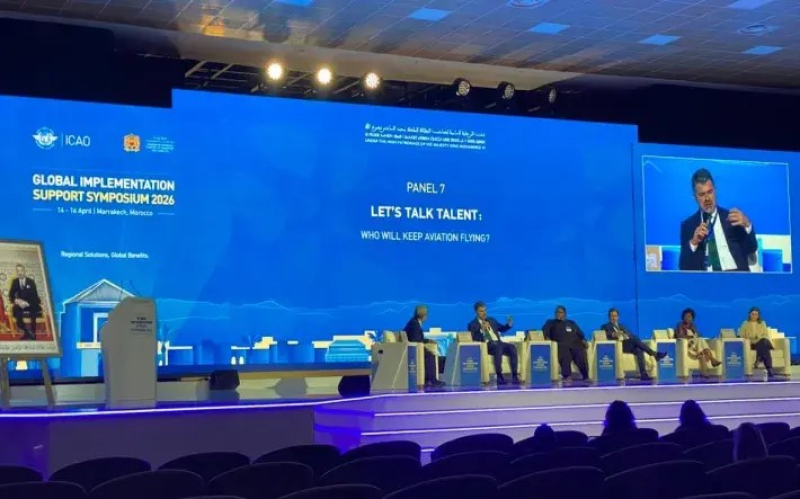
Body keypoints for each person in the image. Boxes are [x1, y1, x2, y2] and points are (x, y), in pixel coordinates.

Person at [678, 168, 757, 272]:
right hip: (708, 279)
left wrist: (747, 224)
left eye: (710, 192)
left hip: (736, 276)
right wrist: (694, 242)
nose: (707, 199)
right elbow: (683, 267)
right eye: (702, 194)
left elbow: (751, 248)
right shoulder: (688, 225)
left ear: (715, 191)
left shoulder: (732, 218)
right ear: (695, 198)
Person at [602, 308, 666, 381]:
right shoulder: (605, 326)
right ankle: (654, 354)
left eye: (615, 316)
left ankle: (643, 374)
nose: (613, 318)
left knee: (639, 350)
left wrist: (624, 334)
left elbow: (629, 334)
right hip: (618, 346)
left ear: (618, 317)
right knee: (635, 338)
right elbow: (604, 335)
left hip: (628, 344)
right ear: (608, 317)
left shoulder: (622, 326)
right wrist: (614, 334)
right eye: (612, 316)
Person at [467, 301, 519, 385]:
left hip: (498, 343)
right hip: (486, 346)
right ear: (476, 312)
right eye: (481, 311)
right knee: (497, 347)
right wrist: (481, 329)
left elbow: (502, 328)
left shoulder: (491, 320)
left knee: (512, 347)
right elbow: (474, 339)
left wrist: (509, 324)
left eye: (485, 310)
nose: (484, 313)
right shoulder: (472, 324)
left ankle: (515, 376)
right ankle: (499, 376)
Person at [542, 305, 589, 382]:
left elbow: (580, 334)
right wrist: (547, 339)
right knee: (565, 352)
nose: (558, 314)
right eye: (556, 312)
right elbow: (545, 333)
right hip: (560, 344)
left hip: (574, 344)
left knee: (580, 353)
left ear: (565, 314)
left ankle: (586, 375)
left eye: (560, 312)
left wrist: (583, 339)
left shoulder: (571, 323)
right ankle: (567, 376)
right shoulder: (550, 323)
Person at [402, 305, 445, 388]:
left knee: (430, 354)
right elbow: (416, 340)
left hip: (415, 347)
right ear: (424, 315)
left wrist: (428, 341)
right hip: (413, 349)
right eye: (426, 314)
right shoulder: (414, 324)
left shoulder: (415, 322)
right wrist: (426, 347)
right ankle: (432, 381)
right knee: (430, 356)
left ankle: (429, 380)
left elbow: (419, 338)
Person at [675, 308, 721, 375]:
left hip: (696, 346)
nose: (688, 318)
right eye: (686, 316)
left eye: (689, 316)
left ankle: (706, 369)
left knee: (700, 340)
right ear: (683, 317)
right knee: (700, 340)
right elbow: (680, 336)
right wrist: (692, 336)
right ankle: (712, 359)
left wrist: (695, 332)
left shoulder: (693, 325)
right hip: (687, 345)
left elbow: (699, 335)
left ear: (692, 318)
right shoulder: (680, 325)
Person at [738, 307, 774, 378]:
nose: (754, 316)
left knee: (763, 341)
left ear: (758, 315)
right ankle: (769, 368)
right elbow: (740, 334)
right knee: (765, 349)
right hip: (752, 343)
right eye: (752, 314)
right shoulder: (745, 323)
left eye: (756, 314)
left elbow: (765, 334)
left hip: (762, 341)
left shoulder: (762, 323)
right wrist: (747, 338)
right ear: (749, 314)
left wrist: (759, 337)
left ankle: (759, 358)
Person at [8, 264, 41, 341]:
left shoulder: (31, 282)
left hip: (31, 303)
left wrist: (26, 303)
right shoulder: (15, 281)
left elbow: (35, 296)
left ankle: (33, 333)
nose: (20, 272)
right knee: (16, 309)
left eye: (21, 270)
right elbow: (11, 294)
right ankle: (27, 332)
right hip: (20, 304)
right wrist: (17, 301)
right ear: (16, 272)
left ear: (24, 271)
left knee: (33, 310)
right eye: (18, 271)